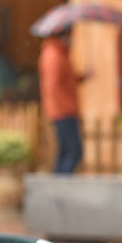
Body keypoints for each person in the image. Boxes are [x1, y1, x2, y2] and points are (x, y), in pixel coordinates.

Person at [38, 29, 88, 174]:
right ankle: (60, 182)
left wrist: (81, 77)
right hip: (62, 110)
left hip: (62, 109)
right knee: (74, 150)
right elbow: (52, 85)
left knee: (65, 150)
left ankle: (58, 184)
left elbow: (64, 80)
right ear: (64, 36)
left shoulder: (58, 53)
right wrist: (62, 106)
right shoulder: (54, 55)